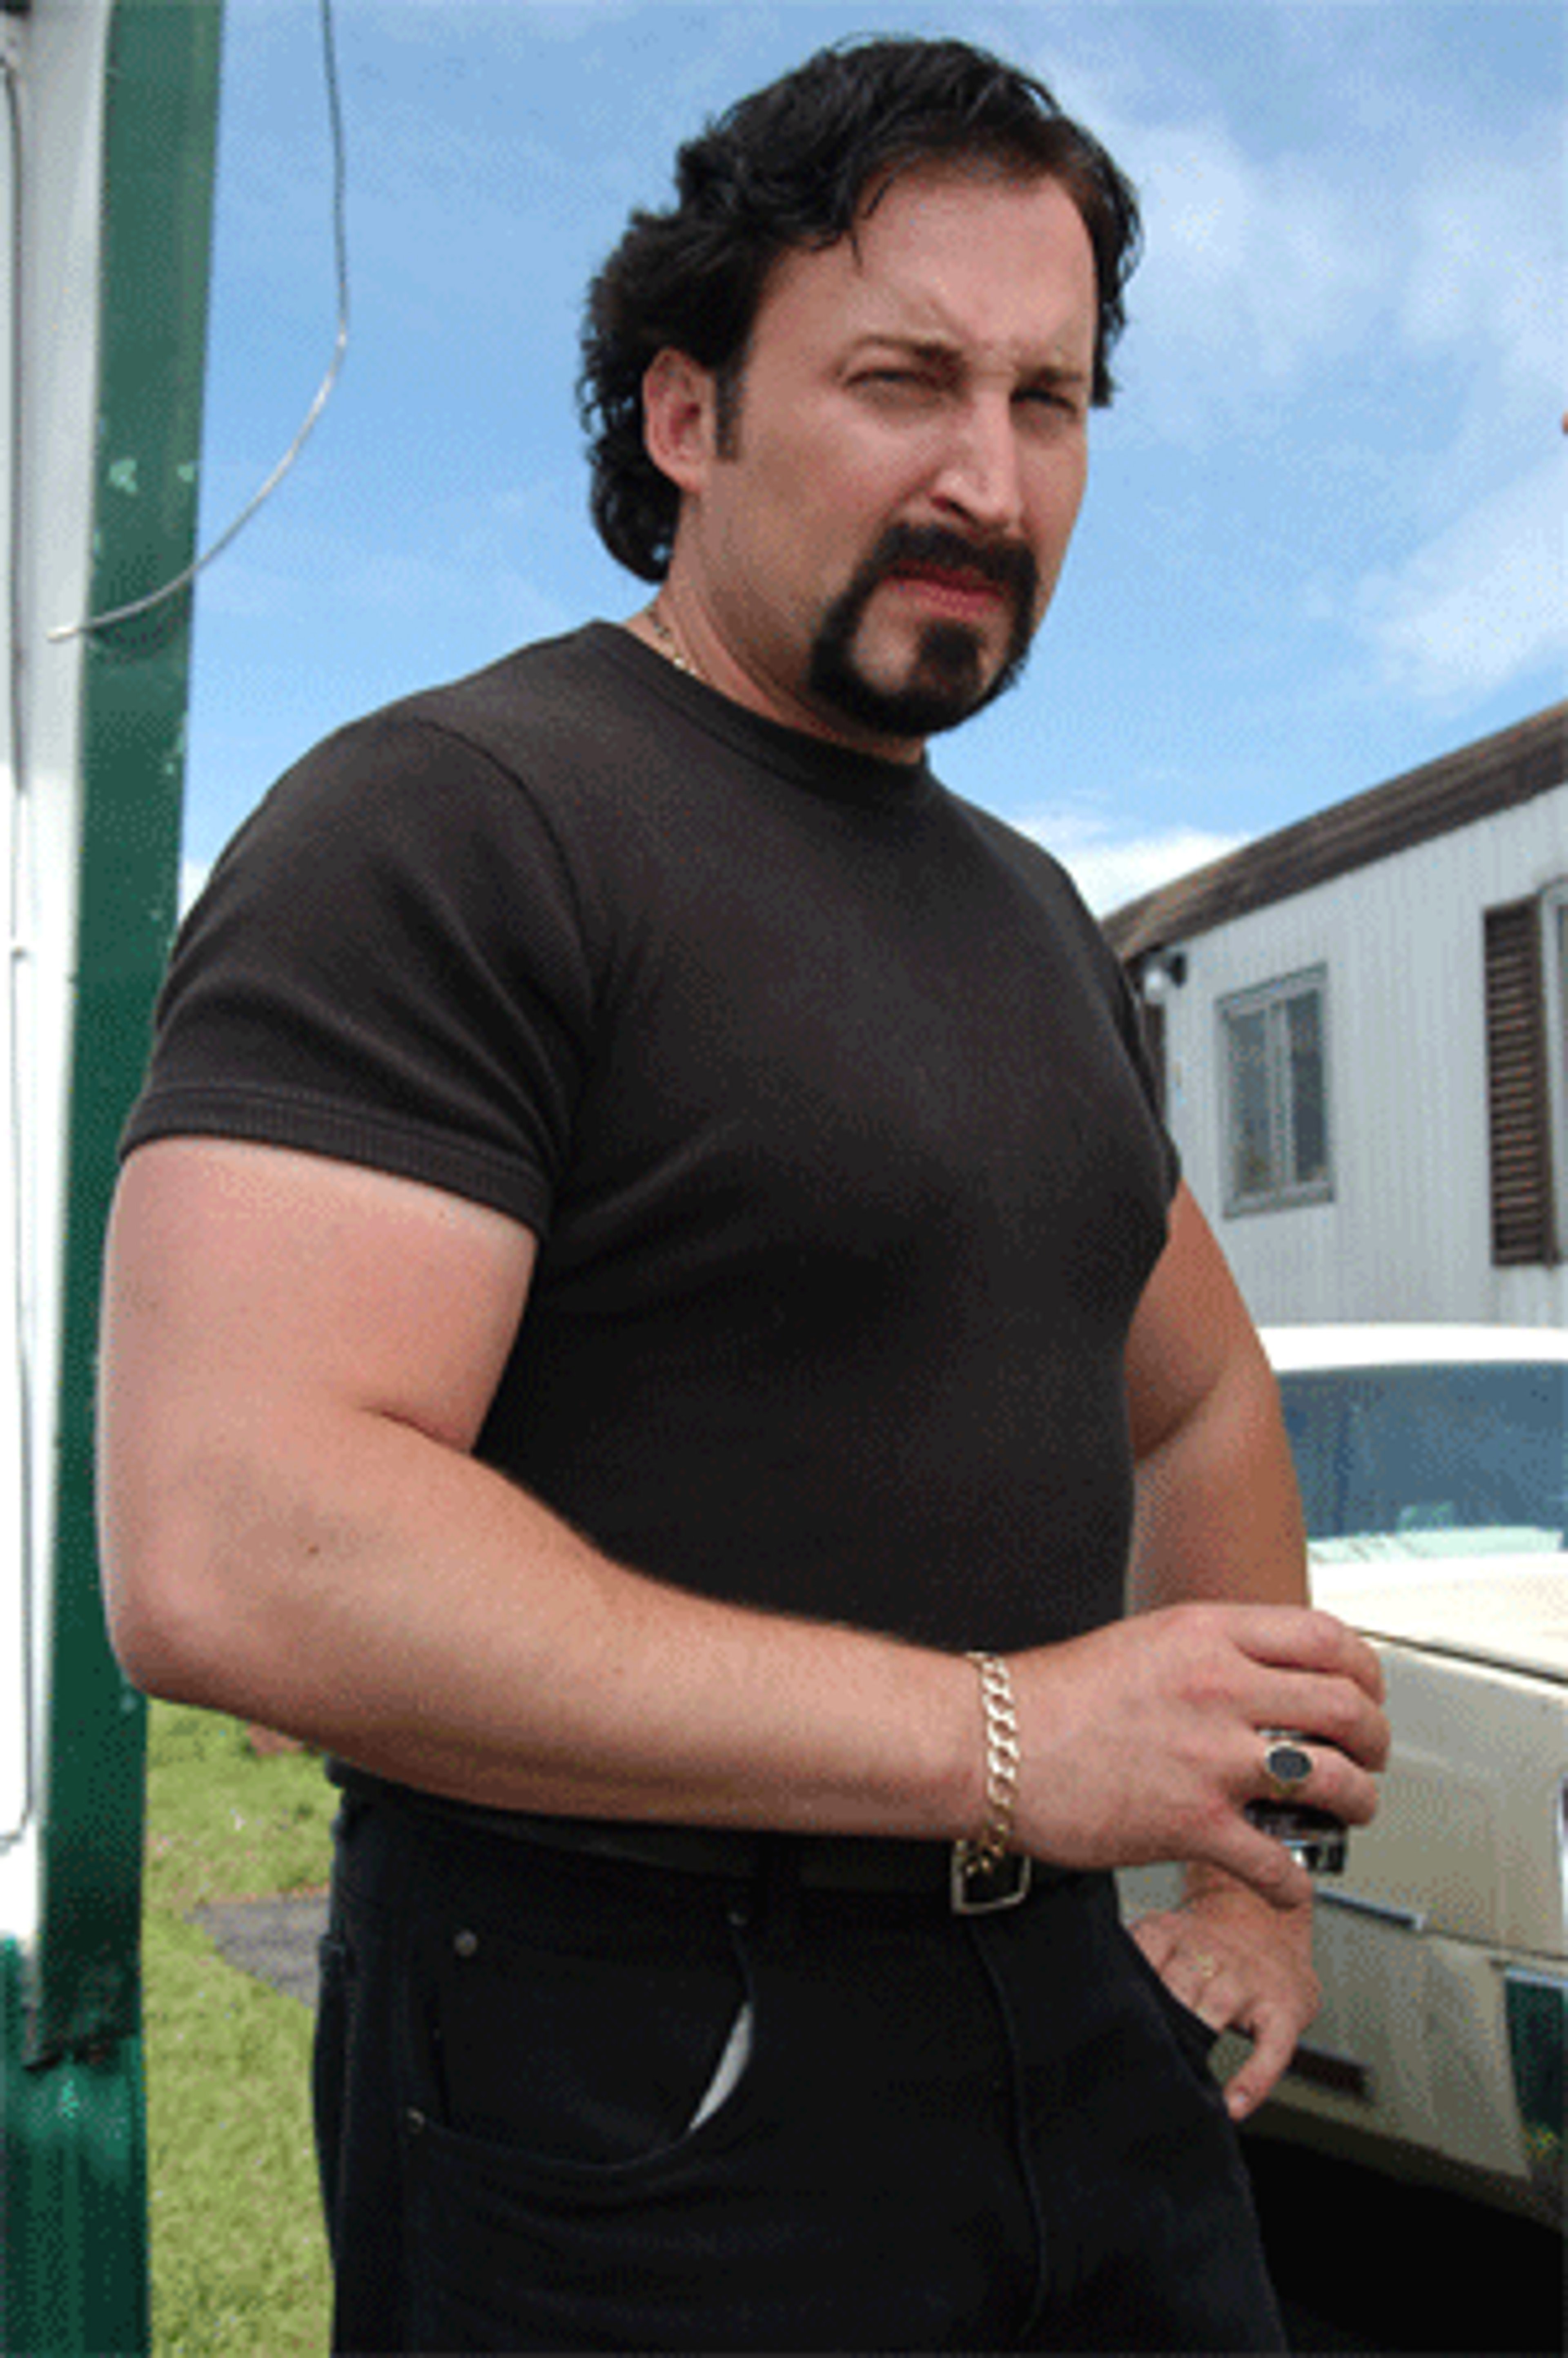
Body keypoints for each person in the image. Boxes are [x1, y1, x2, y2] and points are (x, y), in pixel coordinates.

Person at [98, 35, 1388, 2354]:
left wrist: (1241, 1868)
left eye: (1051, 400)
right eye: (905, 379)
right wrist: (1017, 1738)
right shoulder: (457, 824)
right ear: (683, 416)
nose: (987, 476)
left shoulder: (1035, 926)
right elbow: (234, 1545)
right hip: (630, 2074)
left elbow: (1198, 1407)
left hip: (1069, 2042)